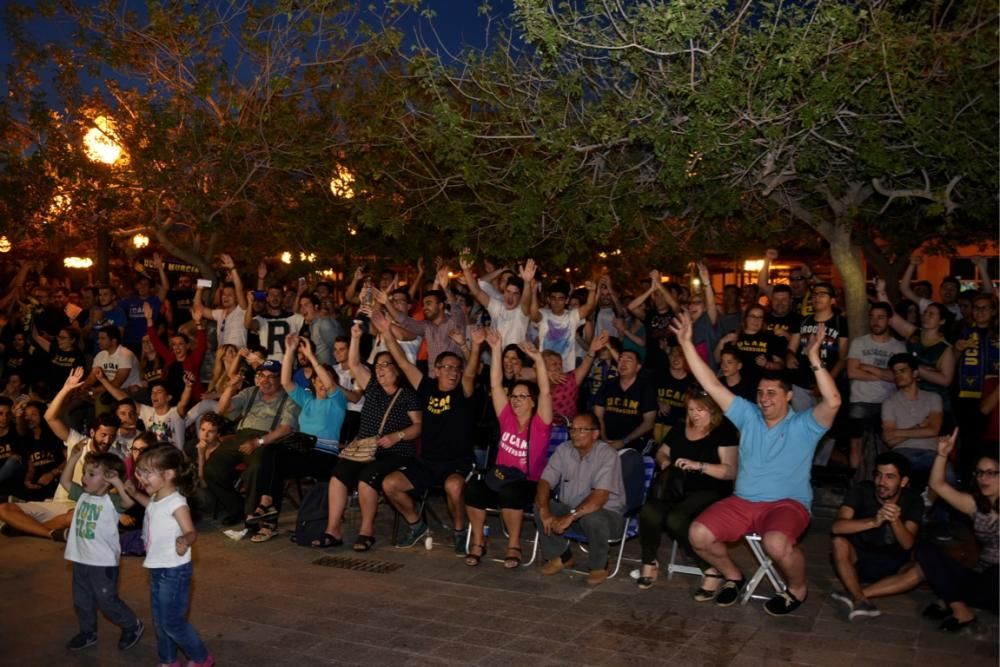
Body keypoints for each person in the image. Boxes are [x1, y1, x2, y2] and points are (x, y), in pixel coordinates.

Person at [674, 310, 841, 615]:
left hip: (786, 505)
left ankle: (797, 589)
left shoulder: (805, 425)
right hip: (742, 502)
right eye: (761, 392)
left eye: (772, 393)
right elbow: (712, 385)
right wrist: (686, 344)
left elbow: (833, 402)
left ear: (788, 396)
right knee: (697, 534)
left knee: (776, 543)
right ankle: (734, 576)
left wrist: (814, 357)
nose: (764, 398)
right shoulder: (747, 415)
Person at [373, 310, 483, 552]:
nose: (453, 372)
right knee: (390, 484)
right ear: (437, 369)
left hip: (457, 462)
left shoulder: (463, 391)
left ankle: (459, 530)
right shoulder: (427, 386)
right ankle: (416, 525)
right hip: (426, 462)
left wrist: (475, 347)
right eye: (448, 367)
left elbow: (473, 371)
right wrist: (386, 333)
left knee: (453, 487)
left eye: (457, 368)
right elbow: (401, 361)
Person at [314, 322, 422, 551]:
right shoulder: (372, 387)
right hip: (365, 448)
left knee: (367, 477)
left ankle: (367, 531)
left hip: (395, 451)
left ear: (398, 368)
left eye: (386, 365)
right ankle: (332, 530)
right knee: (338, 475)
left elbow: (418, 426)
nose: (380, 369)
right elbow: (353, 363)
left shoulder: (408, 395)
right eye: (378, 365)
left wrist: (397, 436)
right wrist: (355, 337)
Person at [245, 334, 347, 544]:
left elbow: (329, 383)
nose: (322, 383)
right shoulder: (307, 400)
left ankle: (267, 511)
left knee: (275, 456)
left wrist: (310, 355)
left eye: (326, 379)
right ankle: (267, 507)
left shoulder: (337, 402)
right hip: (303, 452)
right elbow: (285, 381)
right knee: (272, 456)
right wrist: (290, 351)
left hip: (325, 456)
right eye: (318, 379)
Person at [464, 330, 553, 568]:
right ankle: (478, 541)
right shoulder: (506, 418)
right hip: (501, 477)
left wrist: (538, 360)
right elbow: (495, 382)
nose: (515, 400)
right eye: (513, 396)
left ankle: (514, 545)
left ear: (532, 401)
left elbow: (545, 390)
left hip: (528, 482)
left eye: (522, 397)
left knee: (511, 494)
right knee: (473, 489)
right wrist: (496, 348)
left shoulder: (540, 424)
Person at [0, 369, 122, 540]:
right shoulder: (79, 441)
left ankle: (26, 527)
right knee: (4, 509)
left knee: (74, 516)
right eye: (103, 435)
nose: (107, 440)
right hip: (56, 504)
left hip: (79, 508)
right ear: (93, 433)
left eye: (112, 435)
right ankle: (47, 532)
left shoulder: (116, 456)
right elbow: (50, 417)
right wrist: (66, 389)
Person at [636, 388, 737, 592]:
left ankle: (709, 568)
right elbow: (662, 451)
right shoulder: (681, 426)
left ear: (712, 410)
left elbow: (730, 471)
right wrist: (665, 462)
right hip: (675, 486)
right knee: (649, 511)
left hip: (710, 488)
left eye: (699, 410)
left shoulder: (723, 430)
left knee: (677, 519)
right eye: (690, 409)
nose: (694, 414)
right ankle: (649, 562)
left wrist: (698, 465)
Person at [125, 444, 214, 667]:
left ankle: (202, 659)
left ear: (168, 474)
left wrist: (185, 540)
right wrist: (135, 493)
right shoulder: (157, 497)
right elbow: (152, 509)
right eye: (140, 472)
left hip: (174, 571)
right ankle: (168, 660)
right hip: (158, 568)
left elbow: (191, 531)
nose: (141, 478)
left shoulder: (177, 502)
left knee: (172, 622)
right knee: (160, 621)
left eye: (147, 473)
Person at [59, 442, 144, 652]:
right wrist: (73, 458)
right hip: (80, 559)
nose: (84, 477)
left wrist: (117, 482)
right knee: (82, 601)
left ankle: (132, 625)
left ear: (107, 479)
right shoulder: (82, 495)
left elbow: (129, 503)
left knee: (107, 601)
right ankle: (88, 633)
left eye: (91, 474)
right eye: (85, 473)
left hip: (102, 563)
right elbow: (64, 481)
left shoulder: (111, 500)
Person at [917, 430, 997, 634]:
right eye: (979, 473)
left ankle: (951, 599)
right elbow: (937, 485)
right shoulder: (975, 505)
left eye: (991, 473)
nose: (983, 479)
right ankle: (960, 608)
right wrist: (942, 455)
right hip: (981, 577)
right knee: (925, 549)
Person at [534, 411, 626, 586]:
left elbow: (600, 497)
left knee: (593, 517)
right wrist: (545, 510)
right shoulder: (564, 449)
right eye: (572, 429)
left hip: (606, 516)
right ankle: (561, 556)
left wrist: (571, 516)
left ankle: (599, 565)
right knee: (541, 503)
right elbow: (545, 481)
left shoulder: (607, 454)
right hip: (572, 510)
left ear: (595, 434)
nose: (575, 434)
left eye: (582, 430)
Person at [829, 451, 922, 620]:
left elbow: (908, 544)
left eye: (890, 477)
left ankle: (857, 594)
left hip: (894, 563)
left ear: (903, 481)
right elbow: (837, 527)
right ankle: (860, 598)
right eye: (878, 475)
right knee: (838, 542)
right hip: (859, 558)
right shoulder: (861, 490)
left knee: (920, 571)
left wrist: (895, 520)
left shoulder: (913, 499)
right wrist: (874, 521)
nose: (882, 482)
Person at [209, 358, 300, 524]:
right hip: (241, 436)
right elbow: (222, 409)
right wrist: (230, 386)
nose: (265, 381)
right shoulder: (250, 392)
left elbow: (286, 428)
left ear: (281, 378)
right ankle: (236, 508)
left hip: (267, 440)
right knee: (212, 468)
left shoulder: (289, 397)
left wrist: (258, 442)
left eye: (271, 376)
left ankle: (252, 515)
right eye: (261, 375)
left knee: (256, 469)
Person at [845, 303, 907, 473]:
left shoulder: (898, 347)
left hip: (887, 402)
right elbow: (852, 372)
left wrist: (870, 368)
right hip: (859, 400)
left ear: (889, 320)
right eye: (872, 317)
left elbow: (899, 377)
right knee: (856, 444)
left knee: (887, 444)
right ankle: (854, 481)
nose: (875, 321)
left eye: (880, 317)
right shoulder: (859, 343)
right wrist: (885, 374)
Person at [881, 353, 945, 492]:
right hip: (902, 453)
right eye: (895, 372)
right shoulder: (889, 402)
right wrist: (919, 427)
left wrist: (897, 432)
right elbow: (889, 440)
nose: (898, 375)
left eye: (903, 371)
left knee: (949, 477)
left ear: (915, 373)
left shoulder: (933, 398)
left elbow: (933, 430)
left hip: (930, 452)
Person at [785, 282, 848, 413]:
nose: (817, 297)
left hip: (827, 381)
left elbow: (843, 358)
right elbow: (791, 347)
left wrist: (826, 382)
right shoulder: (802, 321)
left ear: (832, 300)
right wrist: (789, 355)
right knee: (801, 423)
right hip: (801, 382)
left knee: (822, 426)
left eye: (822, 294)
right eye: (814, 295)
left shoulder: (840, 323)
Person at [593, 349, 657, 451]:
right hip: (607, 439)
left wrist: (624, 441)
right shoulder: (607, 384)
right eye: (621, 359)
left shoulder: (646, 388)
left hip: (635, 441)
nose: (623, 363)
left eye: (629, 360)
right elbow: (598, 416)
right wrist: (604, 439)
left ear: (638, 367)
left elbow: (649, 423)